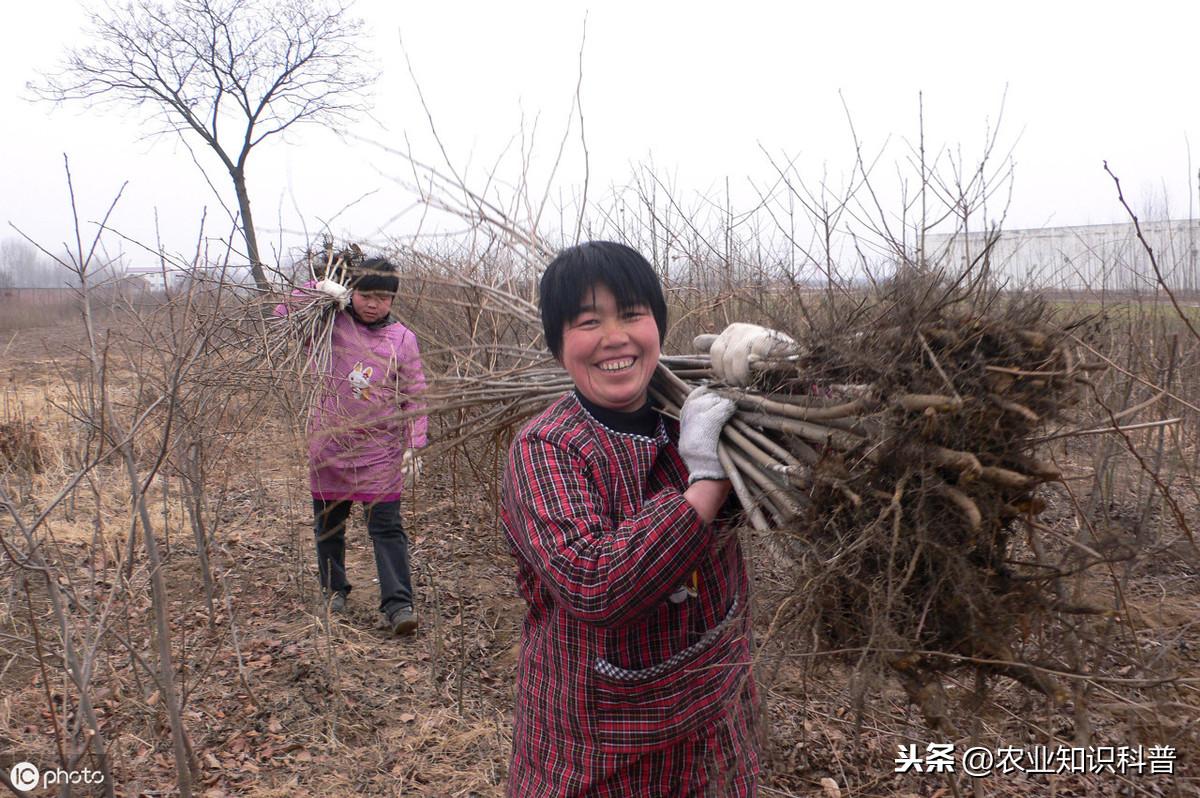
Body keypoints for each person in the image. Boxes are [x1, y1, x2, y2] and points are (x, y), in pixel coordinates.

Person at [500, 241, 761, 797]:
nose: (614, 337)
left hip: (716, 721)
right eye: (589, 321)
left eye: (632, 315)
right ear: (559, 345)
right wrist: (706, 479)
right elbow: (597, 584)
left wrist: (783, 370)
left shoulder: (697, 414)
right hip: (599, 748)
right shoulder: (547, 448)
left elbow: (822, 471)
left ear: (658, 328)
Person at [277, 256, 428, 636]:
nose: (373, 304)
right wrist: (317, 291)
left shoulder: (402, 340)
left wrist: (414, 444)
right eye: (365, 294)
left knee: (387, 529)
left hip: (380, 452)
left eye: (383, 297)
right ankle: (334, 592)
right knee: (328, 526)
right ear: (352, 292)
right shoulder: (328, 325)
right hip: (329, 447)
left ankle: (398, 604)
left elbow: (415, 395)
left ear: (393, 300)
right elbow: (281, 315)